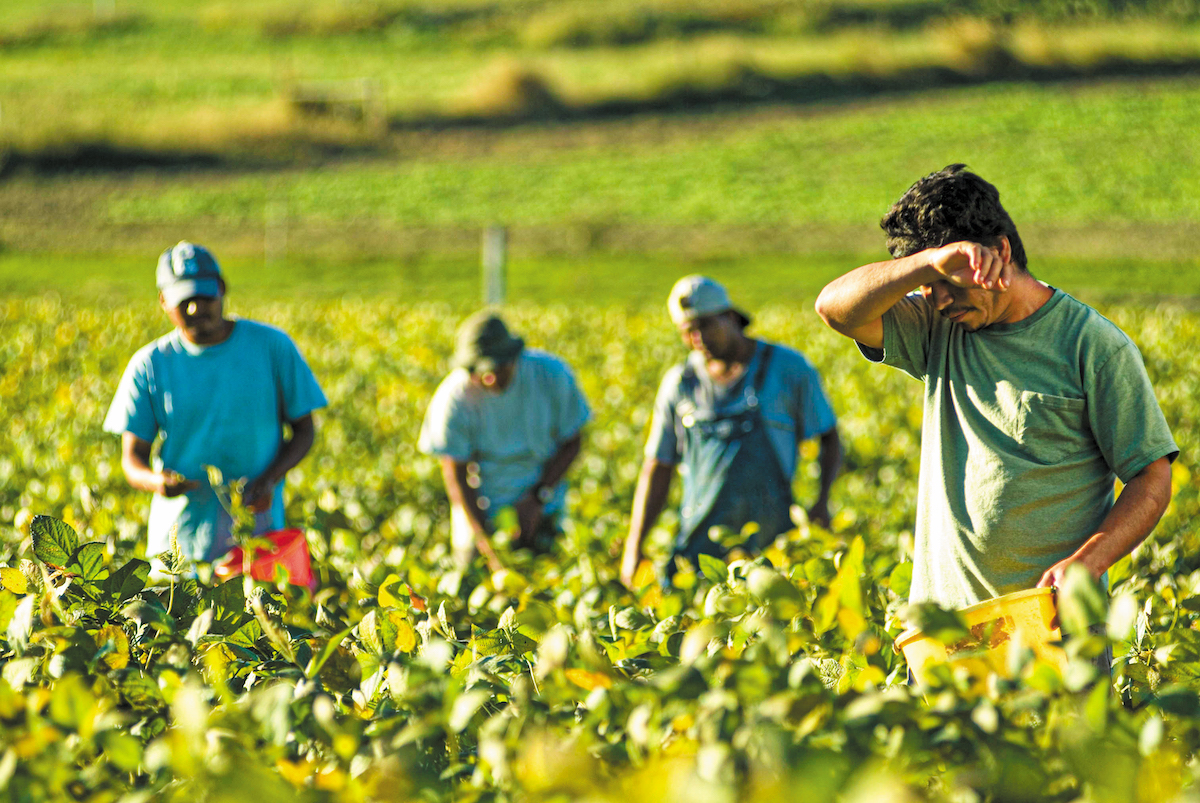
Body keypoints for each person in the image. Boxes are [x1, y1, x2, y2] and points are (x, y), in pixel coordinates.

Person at [814, 164, 1178, 615]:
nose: (939, 299)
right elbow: (834, 309)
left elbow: (1152, 476)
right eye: (928, 286)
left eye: (950, 282)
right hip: (945, 628)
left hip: (1053, 623)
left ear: (1000, 252)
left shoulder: (1092, 344)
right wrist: (928, 264)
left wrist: (1089, 562)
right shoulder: (935, 328)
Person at [104, 241, 328, 566]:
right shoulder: (150, 365)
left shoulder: (271, 347)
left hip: (257, 538)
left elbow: (304, 430)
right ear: (163, 301)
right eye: (185, 301)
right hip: (179, 546)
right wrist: (158, 482)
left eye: (205, 297)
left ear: (222, 290)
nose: (196, 309)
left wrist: (270, 478)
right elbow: (132, 460)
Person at [621, 276, 841, 587]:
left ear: (730, 316)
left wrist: (822, 500)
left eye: (705, 326)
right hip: (701, 550)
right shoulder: (680, 383)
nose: (698, 338)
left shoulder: (787, 368)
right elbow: (658, 466)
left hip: (772, 546)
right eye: (688, 332)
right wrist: (634, 545)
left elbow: (829, 438)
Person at [418, 311, 590, 570]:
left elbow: (573, 441)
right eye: (481, 372)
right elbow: (456, 477)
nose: (491, 378)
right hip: (479, 515)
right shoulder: (453, 399)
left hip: (544, 509)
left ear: (513, 357)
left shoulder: (550, 375)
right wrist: (485, 541)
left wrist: (538, 497)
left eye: (498, 368)